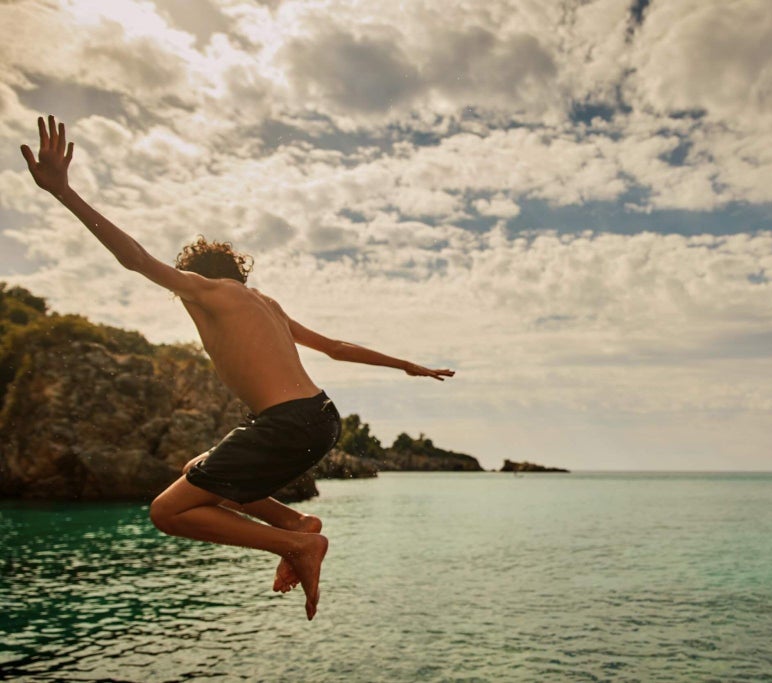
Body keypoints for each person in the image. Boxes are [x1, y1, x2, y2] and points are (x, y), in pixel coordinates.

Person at [20, 115, 455, 620]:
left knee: (167, 511)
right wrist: (408, 366)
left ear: (195, 277)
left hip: (287, 422)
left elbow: (135, 258)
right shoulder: (264, 302)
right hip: (321, 417)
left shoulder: (207, 290)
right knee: (196, 472)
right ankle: (295, 523)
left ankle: (296, 546)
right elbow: (335, 347)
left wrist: (62, 193)